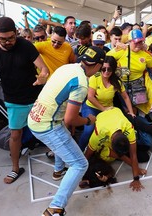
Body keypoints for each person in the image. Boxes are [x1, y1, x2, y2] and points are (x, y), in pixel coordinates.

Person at [28, 46, 105, 216]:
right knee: (80, 164)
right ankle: (55, 208)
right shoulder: (82, 83)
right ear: (99, 66)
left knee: (65, 138)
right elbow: (71, 119)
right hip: (47, 125)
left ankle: (57, 171)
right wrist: (88, 120)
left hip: (35, 117)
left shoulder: (67, 67)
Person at [0, 17, 49, 184]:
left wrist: (43, 76)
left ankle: (56, 156)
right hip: (14, 100)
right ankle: (15, 168)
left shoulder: (25, 45)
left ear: (15, 33)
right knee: (15, 134)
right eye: (2, 39)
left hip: (36, 96)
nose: (7, 42)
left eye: (11, 38)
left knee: (49, 128)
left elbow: (43, 67)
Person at [78, 56, 135, 151]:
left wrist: (131, 111)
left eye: (109, 69)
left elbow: (125, 97)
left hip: (108, 109)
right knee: (89, 130)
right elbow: (90, 97)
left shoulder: (116, 81)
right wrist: (103, 109)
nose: (106, 71)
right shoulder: (95, 78)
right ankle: (80, 150)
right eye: (103, 69)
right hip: (91, 107)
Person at [84, 107, 146, 192]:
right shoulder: (98, 135)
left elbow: (132, 155)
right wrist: (83, 175)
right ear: (110, 143)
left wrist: (136, 178)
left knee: (143, 156)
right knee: (142, 157)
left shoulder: (129, 128)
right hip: (103, 117)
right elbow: (87, 155)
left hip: (115, 112)